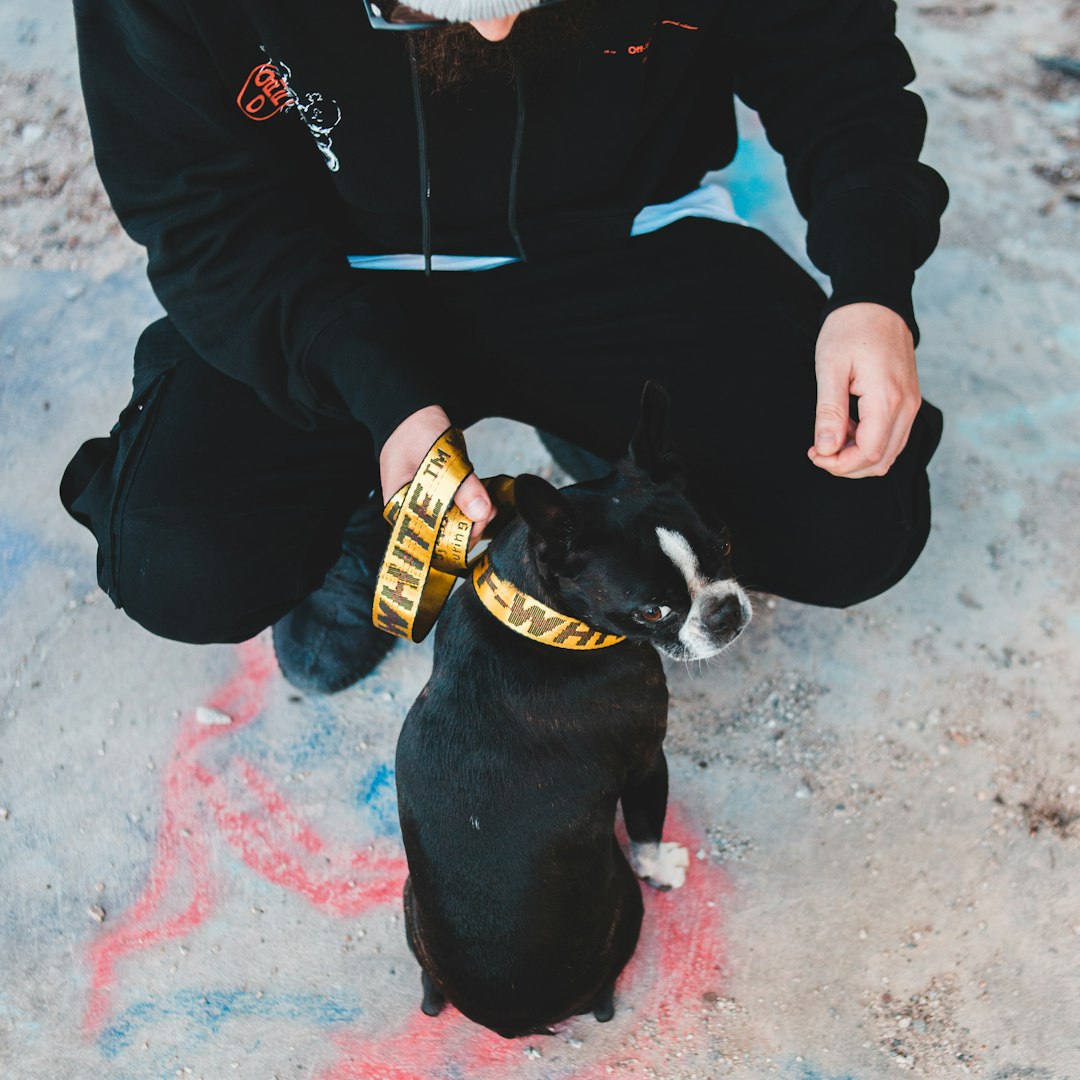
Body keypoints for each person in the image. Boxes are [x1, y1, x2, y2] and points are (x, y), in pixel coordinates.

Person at [61, 0, 948, 693]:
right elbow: (199, 210)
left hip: (622, 240)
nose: (495, 28)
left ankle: (615, 474)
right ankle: (362, 515)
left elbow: (833, 61)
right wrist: (382, 398)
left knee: (856, 522)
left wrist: (872, 284)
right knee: (177, 558)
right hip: (328, 275)